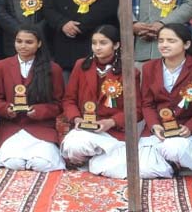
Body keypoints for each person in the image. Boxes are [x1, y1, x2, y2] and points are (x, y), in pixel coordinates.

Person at [60, 25, 142, 179]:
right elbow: (69, 100)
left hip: (113, 132)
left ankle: (95, 162)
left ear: (116, 45)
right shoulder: (81, 65)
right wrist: (76, 119)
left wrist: (111, 122)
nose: (97, 47)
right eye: (94, 43)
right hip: (85, 128)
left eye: (103, 43)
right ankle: (88, 160)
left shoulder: (129, 71)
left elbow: (137, 110)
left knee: (113, 170)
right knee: (73, 145)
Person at [139, 24, 192, 177]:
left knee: (174, 148)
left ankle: (175, 162)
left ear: (186, 44)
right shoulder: (149, 67)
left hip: (189, 133)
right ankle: (174, 166)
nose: (164, 45)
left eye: (171, 41)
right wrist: (154, 126)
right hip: (160, 132)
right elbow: (147, 103)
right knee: (142, 169)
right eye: (161, 41)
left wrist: (191, 127)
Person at [0, 26, 65, 172]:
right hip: (12, 127)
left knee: (41, 164)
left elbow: (59, 103)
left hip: (41, 127)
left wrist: (38, 111)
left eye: (29, 42)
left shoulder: (52, 68)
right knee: (14, 164)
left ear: (39, 44)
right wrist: (7, 109)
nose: (23, 46)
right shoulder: (1, 66)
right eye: (19, 41)